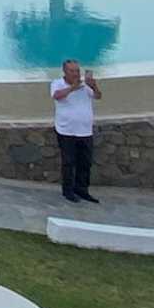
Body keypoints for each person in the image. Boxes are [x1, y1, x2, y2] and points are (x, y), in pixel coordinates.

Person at [51, 58, 102, 204]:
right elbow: (57, 96)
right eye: (72, 71)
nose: (75, 73)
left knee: (85, 163)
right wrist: (72, 88)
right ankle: (68, 191)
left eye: (77, 70)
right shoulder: (57, 83)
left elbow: (98, 96)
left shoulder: (85, 86)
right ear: (65, 71)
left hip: (85, 131)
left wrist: (94, 86)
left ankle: (82, 190)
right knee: (68, 162)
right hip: (66, 130)